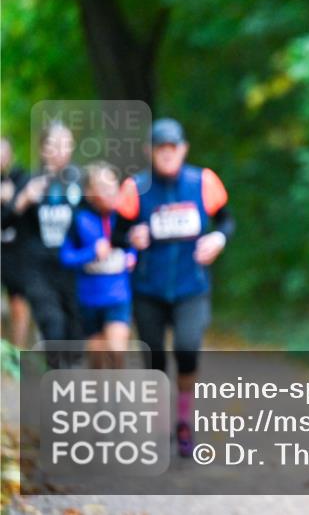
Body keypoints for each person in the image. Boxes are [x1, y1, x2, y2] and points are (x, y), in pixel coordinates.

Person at [114, 118, 234, 457]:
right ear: (149, 152)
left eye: (173, 148)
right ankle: (158, 422)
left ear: (183, 149)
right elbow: (116, 233)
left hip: (191, 285)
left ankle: (183, 420)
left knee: (186, 348)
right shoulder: (134, 188)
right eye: (160, 149)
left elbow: (226, 219)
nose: (167, 155)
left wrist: (218, 237)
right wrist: (129, 238)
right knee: (153, 355)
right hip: (148, 288)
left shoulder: (203, 181)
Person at [9, 122, 85, 345]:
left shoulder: (80, 181)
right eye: (54, 144)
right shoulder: (28, 181)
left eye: (66, 144)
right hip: (38, 268)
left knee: (75, 329)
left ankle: (69, 373)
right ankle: (56, 373)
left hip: (73, 267)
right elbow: (5, 222)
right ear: (43, 149)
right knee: (53, 324)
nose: (61, 150)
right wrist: (22, 201)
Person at [59, 162, 135, 368]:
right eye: (102, 187)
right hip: (89, 299)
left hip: (118, 295)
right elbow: (65, 257)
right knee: (97, 358)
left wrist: (132, 256)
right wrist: (91, 253)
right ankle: (100, 396)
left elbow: (136, 243)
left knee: (116, 350)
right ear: (89, 192)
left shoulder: (125, 217)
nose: (110, 192)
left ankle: (118, 396)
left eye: (113, 185)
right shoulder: (79, 219)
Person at [1, 136, 32, 347]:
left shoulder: (20, 177)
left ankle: (16, 354)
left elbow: (25, 211)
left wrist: (10, 200)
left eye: (4, 152)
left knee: (19, 303)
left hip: (16, 253)